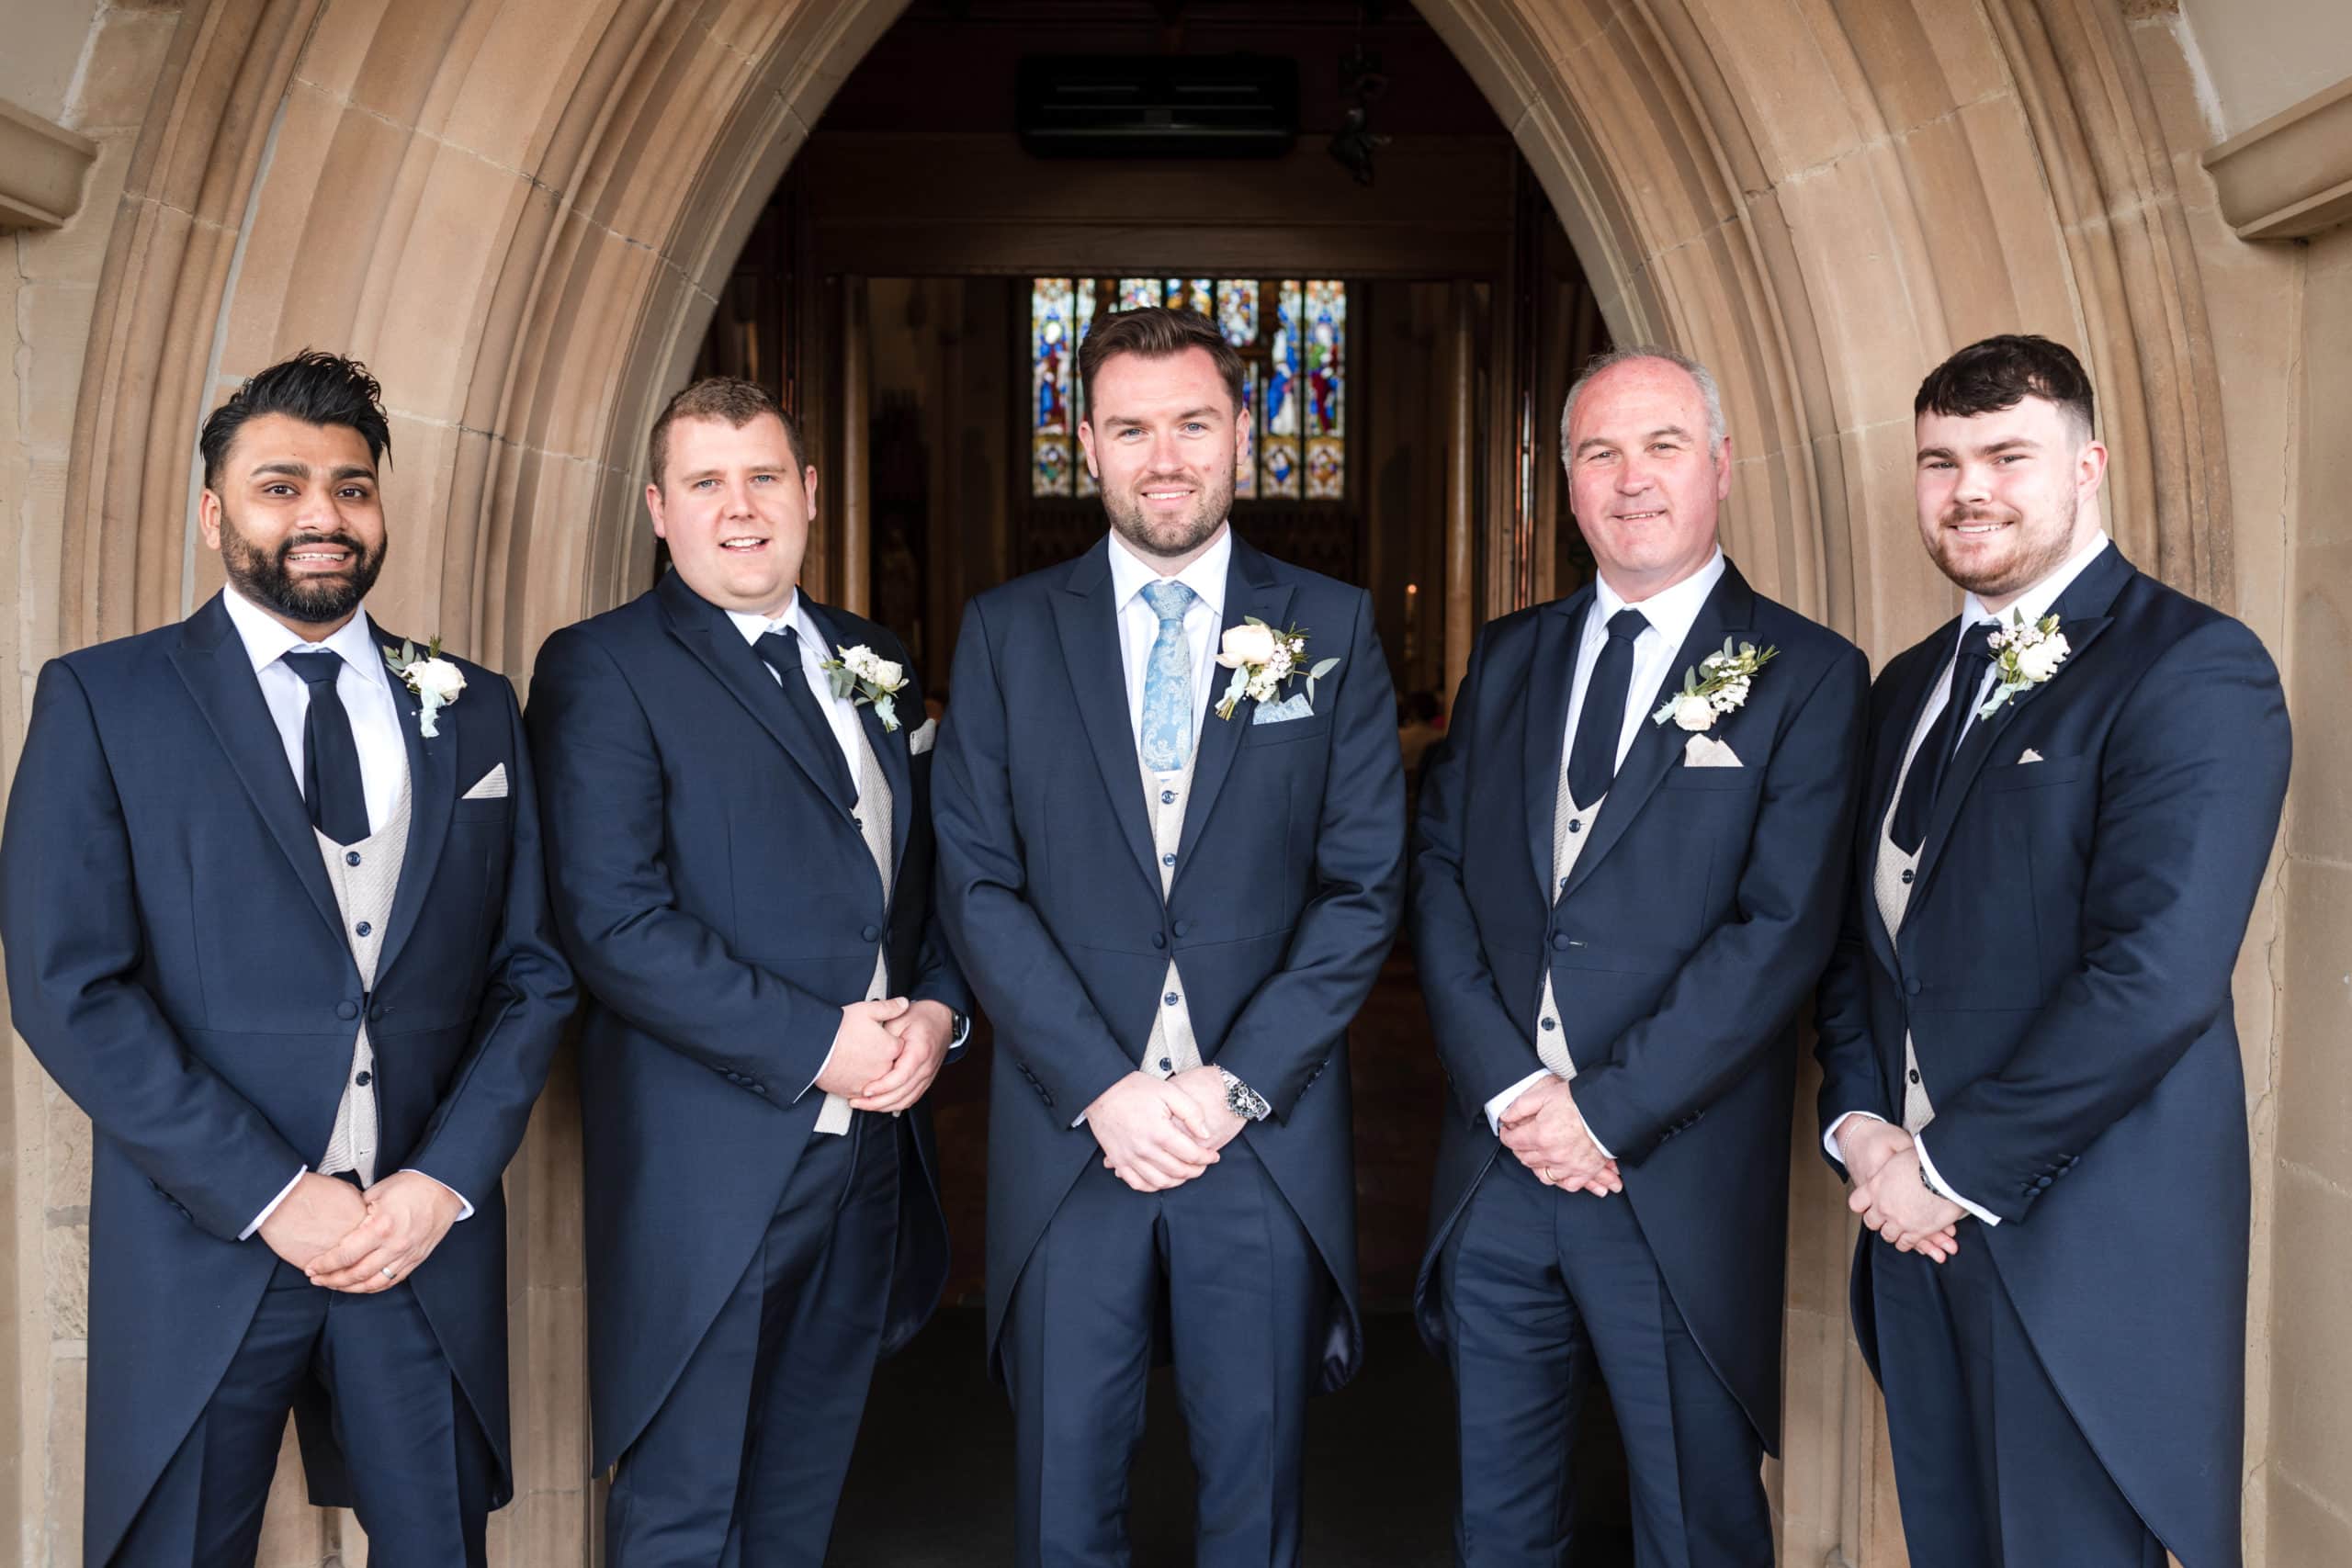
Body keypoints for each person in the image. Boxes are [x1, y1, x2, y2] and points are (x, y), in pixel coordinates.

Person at [0, 351, 573, 1566]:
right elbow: (69, 987)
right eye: (280, 486)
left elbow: (532, 976)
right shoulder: (107, 701)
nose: (321, 515)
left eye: (351, 487)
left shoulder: (471, 706)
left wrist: (441, 1183)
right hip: (209, 1246)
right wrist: (275, 1195)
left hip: (421, 1244)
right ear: (215, 511)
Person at [930, 306, 1405, 1565]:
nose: (1165, 457)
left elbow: (1361, 887)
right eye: (1132, 428)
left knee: (1255, 1503)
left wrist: (1229, 1084)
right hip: (1074, 1135)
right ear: (1085, 442)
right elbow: (977, 883)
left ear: (1242, 435)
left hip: (1257, 1138)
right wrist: (1103, 1085)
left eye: (1194, 423)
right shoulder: (1006, 632)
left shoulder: (1334, 626)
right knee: (1062, 1500)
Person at [1815, 334, 2291, 1568]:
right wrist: (1863, 1128)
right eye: (1942, 460)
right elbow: (1867, 952)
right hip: (1912, 1237)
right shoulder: (1905, 688)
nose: (1970, 487)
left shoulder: (2192, 667)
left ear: (2088, 466)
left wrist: (1952, 1164)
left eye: (2006, 455)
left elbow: (2157, 975)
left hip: (2079, 1252)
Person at [1412, 345, 1869, 1565]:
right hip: (1498, 1172)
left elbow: (1781, 935)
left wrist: (1602, 1113)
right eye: (1599, 453)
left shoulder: (1810, 675)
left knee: (1695, 1525)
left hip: (1666, 1180)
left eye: (1663, 446)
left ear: (1719, 468)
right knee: (1498, 1524)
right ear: (1565, 485)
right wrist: (1514, 1091)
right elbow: (1442, 877)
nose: (1632, 480)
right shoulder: (1509, 658)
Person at [526, 376, 970, 1566]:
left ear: (811, 496)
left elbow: (922, 884)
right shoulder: (602, 668)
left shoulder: (876, 658)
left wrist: (938, 1007)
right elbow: (613, 923)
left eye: (764, 476)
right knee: (684, 1513)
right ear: (660, 510)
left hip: (872, 1157)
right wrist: (817, 1043)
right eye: (707, 483)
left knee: (795, 1499)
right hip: (712, 1163)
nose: (741, 508)